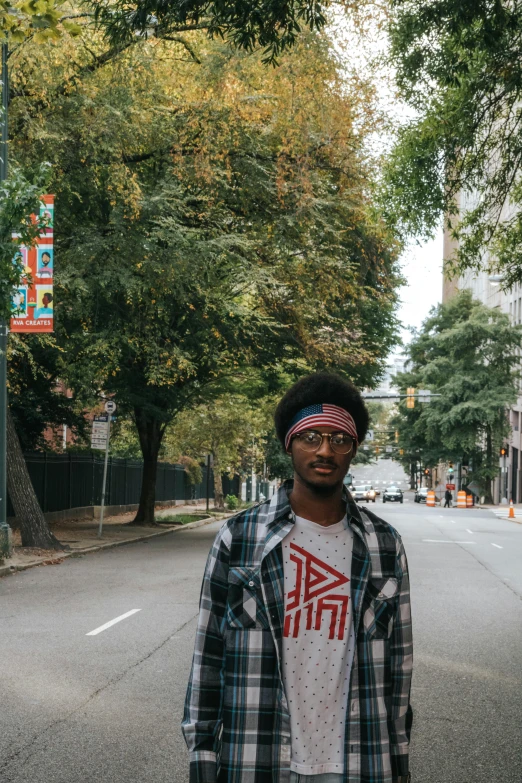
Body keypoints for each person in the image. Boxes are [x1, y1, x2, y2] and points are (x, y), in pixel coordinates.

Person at [182, 372, 413, 783]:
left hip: (360, 759)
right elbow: (208, 656)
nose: (325, 450)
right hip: (258, 754)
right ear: (289, 443)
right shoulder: (240, 538)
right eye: (311, 437)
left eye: (339, 439)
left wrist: (398, 759)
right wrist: (201, 755)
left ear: (353, 448)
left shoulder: (384, 545)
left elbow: (399, 668)